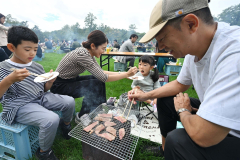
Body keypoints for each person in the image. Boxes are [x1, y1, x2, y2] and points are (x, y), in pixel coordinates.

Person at [128, 0, 240, 159]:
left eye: (163, 38)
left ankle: (173, 150)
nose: (161, 47)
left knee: (177, 140)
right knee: (165, 100)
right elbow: (181, 83)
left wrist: (184, 111)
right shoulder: (193, 50)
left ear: (191, 24)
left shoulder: (233, 54)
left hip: (234, 133)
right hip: (222, 117)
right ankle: (165, 150)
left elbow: (203, 135)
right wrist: (146, 95)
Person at [0, 26, 75, 160]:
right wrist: (9, 80)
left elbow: (43, 89)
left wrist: (50, 82)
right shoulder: (3, 68)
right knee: (51, 119)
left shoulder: (37, 66)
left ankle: (66, 125)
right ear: (11, 47)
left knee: (69, 101)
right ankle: (44, 152)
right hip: (18, 105)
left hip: (39, 97)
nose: (32, 54)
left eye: (35, 49)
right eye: (27, 49)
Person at [50, 30, 138, 124]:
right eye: (103, 48)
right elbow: (104, 77)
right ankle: (81, 116)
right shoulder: (83, 55)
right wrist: (126, 74)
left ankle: (97, 109)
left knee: (97, 80)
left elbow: (100, 72)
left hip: (70, 80)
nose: (104, 51)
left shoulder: (88, 53)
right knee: (93, 85)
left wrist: (123, 74)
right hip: (59, 85)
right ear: (93, 46)